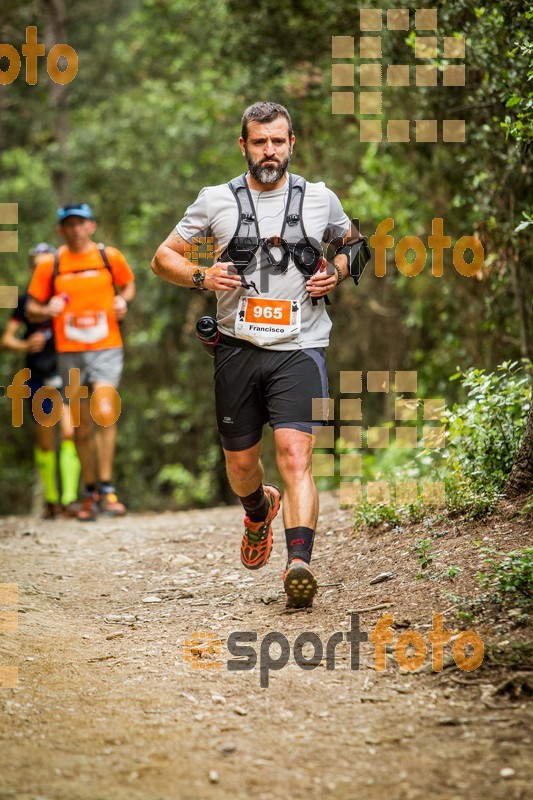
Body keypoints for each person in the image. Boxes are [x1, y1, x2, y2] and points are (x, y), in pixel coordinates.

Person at [152, 101, 365, 608]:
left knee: (295, 457)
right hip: (236, 347)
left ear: (292, 143)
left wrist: (335, 269)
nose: (269, 151)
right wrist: (202, 276)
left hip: (301, 346)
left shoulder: (319, 198)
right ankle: (256, 508)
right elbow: (163, 258)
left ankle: (299, 565)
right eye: (259, 141)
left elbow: (355, 243)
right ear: (243, 145)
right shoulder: (214, 201)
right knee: (242, 465)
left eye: (278, 141)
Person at [26, 204, 136, 521]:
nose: (75, 230)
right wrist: (48, 309)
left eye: (80, 223)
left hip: (106, 346)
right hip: (69, 351)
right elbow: (32, 308)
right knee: (81, 426)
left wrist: (122, 300)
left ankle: (107, 487)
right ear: (61, 230)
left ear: (91, 226)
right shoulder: (51, 264)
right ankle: (89, 492)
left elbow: (128, 285)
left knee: (104, 410)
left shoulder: (108, 257)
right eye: (69, 225)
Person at [2, 243, 81, 519]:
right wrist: (25, 344)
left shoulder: (67, 295)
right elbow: (6, 339)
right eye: (37, 266)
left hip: (68, 371)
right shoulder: (26, 302)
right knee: (46, 442)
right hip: (37, 374)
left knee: (70, 432)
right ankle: (51, 501)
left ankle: (70, 499)